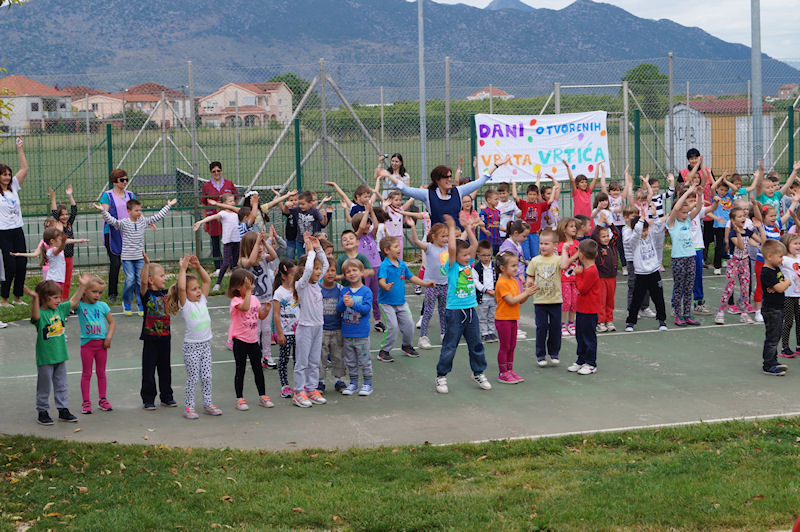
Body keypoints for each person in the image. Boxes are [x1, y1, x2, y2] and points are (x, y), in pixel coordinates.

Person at [434, 214, 492, 394]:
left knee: (476, 344)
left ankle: (478, 372)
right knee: (450, 345)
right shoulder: (452, 266)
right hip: (455, 312)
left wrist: (468, 228)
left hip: (470, 310)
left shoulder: (469, 265)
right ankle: (441, 376)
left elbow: (474, 245)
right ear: (455, 256)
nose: (468, 257)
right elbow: (452, 248)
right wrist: (452, 227)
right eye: (464, 255)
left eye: (468, 255)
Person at [95, 197, 176, 316]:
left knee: (140, 281)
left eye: (140, 210)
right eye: (136, 210)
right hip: (127, 258)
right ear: (129, 211)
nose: (139, 213)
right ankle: (126, 302)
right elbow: (112, 221)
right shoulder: (124, 223)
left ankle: (140, 303)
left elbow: (157, 217)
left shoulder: (143, 222)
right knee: (130, 279)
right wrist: (103, 210)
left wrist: (168, 206)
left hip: (139, 257)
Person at [166, 255, 222, 420]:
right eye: (194, 289)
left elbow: (207, 281)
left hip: (205, 345)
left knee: (207, 377)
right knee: (193, 377)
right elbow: (181, 288)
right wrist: (183, 269)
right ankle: (189, 407)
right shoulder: (186, 305)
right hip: (192, 347)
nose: (198, 291)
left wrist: (198, 267)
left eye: (198, 288)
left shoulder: (202, 300)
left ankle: (208, 403)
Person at [383, 156, 510, 229]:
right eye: (446, 177)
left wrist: (496, 165)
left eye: (450, 176)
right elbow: (405, 189)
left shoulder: (458, 191)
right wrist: (389, 176)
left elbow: (479, 182)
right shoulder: (428, 194)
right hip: (438, 242)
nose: (450, 179)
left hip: (457, 239)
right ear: (437, 180)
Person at [25, 280, 78, 425]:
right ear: (44, 298)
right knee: (44, 386)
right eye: (55, 297)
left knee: (62, 385)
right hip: (45, 358)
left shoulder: (60, 309)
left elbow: (73, 302)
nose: (59, 300)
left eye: (59, 297)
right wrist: (35, 298)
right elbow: (35, 316)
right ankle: (42, 411)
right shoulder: (40, 314)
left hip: (60, 356)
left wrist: (83, 286)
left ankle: (63, 409)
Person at [376, 235, 431, 362]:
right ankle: (384, 351)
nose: (399, 248)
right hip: (387, 303)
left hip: (401, 302)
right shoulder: (384, 266)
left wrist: (425, 284)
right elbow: (381, 281)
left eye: (399, 246)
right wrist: (385, 286)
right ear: (386, 250)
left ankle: (406, 346)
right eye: (395, 247)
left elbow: (412, 277)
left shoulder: (402, 265)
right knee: (393, 327)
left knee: (409, 325)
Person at [292, 233, 329, 408]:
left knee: (314, 361)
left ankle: (312, 388)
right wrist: (311, 252)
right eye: (316, 269)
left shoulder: (317, 284)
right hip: (305, 328)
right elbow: (307, 270)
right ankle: (299, 392)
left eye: (319, 269)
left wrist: (319, 248)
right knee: (302, 362)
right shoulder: (302, 286)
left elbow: (326, 265)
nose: (319, 271)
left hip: (318, 327)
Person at [227, 268, 272, 411]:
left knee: (258, 369)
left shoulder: (254, 299)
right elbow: (245, 308)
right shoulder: (236, 301)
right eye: (247, 285)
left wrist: (266, 311)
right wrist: (247, 292)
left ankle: (263, 396)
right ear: (237, 287)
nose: (251, 287)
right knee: (240, 369)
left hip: (253, 341)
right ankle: (239, 398)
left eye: (251, 284)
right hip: (240, 340)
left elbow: (260, 316)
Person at [72, 274, 114, 415]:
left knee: (101, 373)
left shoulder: (103, 306)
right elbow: (73, 302)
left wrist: (108, 337)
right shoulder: (80, 305)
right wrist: (82, 286)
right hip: (87, 345)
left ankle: (103, 399)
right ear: (85, 291)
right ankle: (86, 402)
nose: (97, 295)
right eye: (94, 291)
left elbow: (112, 322)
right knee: (87, 373)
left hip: (101, 345)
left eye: (100, 292)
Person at [138, 252, 175, 410]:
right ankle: (148, 398)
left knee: (165, 369)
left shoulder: (167, 294)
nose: (164, 278)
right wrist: (147, 264)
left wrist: (183, 269)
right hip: (150, 339)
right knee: (149, 370)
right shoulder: (147, 295)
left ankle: (167, 396)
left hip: (165, 338)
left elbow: (181, 288)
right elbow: (143, 283)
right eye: (161, 275)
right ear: (151, 280)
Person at [494, 251, 537, 384]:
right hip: (503, 319)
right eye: (513, 266)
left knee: (512, 346)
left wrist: (527, 293)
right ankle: (502, 373)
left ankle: (509, 370)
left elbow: (520, 300)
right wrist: (526, 292)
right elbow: (511, 301)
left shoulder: (513, 281)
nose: (516, 268)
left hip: (513, 318)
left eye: (516, 265)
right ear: (502, 268)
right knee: (505, 346)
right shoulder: (502, 283)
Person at [624, 207, 669, 333]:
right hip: (641, 274)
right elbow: (637, 231)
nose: (645, 233)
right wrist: (642, 218)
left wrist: (654, 216)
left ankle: (662, 321)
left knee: (658, 298)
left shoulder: (651, 236)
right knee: (636, 299)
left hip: (654, 272)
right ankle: (630, 322)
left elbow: (658, 228)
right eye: (642, 230)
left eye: (646, 230)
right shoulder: (633, 241)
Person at [238, 231, 278, 368]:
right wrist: (257, 243)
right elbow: (250, 261)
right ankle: (256, 355)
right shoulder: (243, 261)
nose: (260, 247)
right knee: (257, 330)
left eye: (260, 244)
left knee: (266, 330)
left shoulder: (264, 258)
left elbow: (274, 255)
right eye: (256, 245)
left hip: (267, 300)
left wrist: (265, 242)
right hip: (253, 302)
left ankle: (267, 355)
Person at [408, 221, 449, 350]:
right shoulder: (429, 247)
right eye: (443, 236)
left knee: (444, 312)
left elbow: (462, 240)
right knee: (428, 311)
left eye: (447, 236)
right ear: (434, 236)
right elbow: (416, 241)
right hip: (432, 285)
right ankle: (423, 337)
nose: (445, 239)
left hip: (445, 285)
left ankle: (444, 334)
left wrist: (469, 227)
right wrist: (413, 227)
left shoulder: (448, 247)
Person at [666, 186, 703, 326]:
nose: (686, 214)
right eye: (683, 212)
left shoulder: (688, 221)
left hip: (690, 257)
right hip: (678, 259)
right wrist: (687, 192)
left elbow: (698, 209)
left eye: (687, 212)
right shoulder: (672, 223)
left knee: (689, 287)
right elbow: (676, 208)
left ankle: (687, 314)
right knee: (679, 287)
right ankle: (678, 314)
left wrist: (699, 195)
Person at [526, 228, 563, 367]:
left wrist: (565, 249)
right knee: (541, 328)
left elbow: (565, 264)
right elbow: (530, 275)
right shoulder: (535, 261)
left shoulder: (558, 260)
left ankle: (554, 352)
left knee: (555, 328)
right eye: (541, 243)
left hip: (555, 300)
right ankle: (540, 354)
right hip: (540, 301)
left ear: (555, 245)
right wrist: (529, 282)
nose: (543, 246)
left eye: (546, 244)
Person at [337, 259, 374, 396]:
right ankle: (353, 383)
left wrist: (353, 304)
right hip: (347, 333)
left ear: (362, 272)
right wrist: (343, 302)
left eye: (354, 270)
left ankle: (367, 384)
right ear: (345, 275)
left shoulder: (366, 291)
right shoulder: (344, 291)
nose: (352, 273)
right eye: (348, 272)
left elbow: (366, 310)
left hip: (361, 334)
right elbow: (339, 309)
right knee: (350, 361)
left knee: (364, 360)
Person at [192, 193, 244, 291]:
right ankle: (218, 283)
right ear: (224, 203)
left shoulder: (236, 213)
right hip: (228, 242)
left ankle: (236, 284)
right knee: (226, 263)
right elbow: (212, 217)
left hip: (237, 241)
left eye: (233, 201)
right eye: (230, 201)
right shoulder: (223, 213)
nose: (233, 203)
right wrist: (200, 222)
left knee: (235, 264)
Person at [0, 136, 29, 308]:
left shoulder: (14, 187)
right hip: (3, 232)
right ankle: (3, 299)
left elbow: (24, 168)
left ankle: (17, 297)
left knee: (22, 264)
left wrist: (20, 149)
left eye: (9, 174)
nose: (7, 177)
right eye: (4, 174)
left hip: (17, 230)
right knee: (9, 266)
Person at [714, 207, 755, 324]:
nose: (743, 218)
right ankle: (720, 313)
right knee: (729, 288)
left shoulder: (748, 231)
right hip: (734, 262)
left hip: (745, 262)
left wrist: (760, 228)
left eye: (744, 216)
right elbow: (741, 247)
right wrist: (738, 233)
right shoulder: (732, 234)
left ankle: (744, 314)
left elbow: (760, 240)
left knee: (745, 289)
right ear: (733, 220)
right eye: (739, 216)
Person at [568, 239, 601, 375]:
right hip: (582, 309)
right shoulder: (586, 269)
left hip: (589, 310)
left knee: (588, 337)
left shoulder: (591, 271)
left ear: (581, 255)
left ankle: (591, 363)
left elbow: (582, 289)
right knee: (580, 336)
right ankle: (581, 360)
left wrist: (578, 274)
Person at [760, 239, 791, 376]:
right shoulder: (767, 272)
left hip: (779, 307)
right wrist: (785, 283)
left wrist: (782, 284)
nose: (782, 259)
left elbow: (780, 284)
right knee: (772, 337)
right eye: (780, 256)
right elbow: (781, 286)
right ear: (769, 256)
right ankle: (768, 365)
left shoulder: (776, 269)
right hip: (771, 309)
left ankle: (773, 360)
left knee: (776, 335)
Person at [352, 204, 384, 332]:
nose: (368, 225)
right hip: (364, 271)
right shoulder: (356, 237)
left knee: (375, 296)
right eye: (366, 223)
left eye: (368, 223)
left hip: (376, 268)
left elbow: (376, 226)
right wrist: (365, 212)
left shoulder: (371, 235)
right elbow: (361, 227)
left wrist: (371, 213)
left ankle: (377, 320)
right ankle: (357, 319)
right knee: (362, 296)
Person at [200, 161, 238, 271]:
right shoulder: (206, 186)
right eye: (214, 171)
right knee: (215, 243)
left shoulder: (229, 184)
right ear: (210, 172)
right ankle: (218, 267)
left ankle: (232, 265)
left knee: (230, 241)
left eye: (218, 170)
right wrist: (205, 220)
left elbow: (235, 199)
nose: (216, 173)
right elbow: (203, 204)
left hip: (228, 218)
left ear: (221, 171)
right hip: (214, 219)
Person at [273, 259, 299, 399]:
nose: (296, 276)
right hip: (286, 332)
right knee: (284, 360)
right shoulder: (279, 293)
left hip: (298, 332)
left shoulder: (297, 289)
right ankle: (285, 385)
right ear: (284, 276)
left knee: (298, 360)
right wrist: (280, 333)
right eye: (293, 274)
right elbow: (276, 315)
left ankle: (299, 385)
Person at [319, 256, 345, 393]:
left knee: (338, 355)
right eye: (326, 270)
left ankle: (338, 380)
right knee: (321, 357)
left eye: (333, 270)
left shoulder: (341, 289)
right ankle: (320, 381)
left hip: (337, 328)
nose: (330, 273)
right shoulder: (317, 289)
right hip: (322, 329)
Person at [48, 185, 78, 301]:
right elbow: (54, 212)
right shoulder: (58, 225)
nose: (65, 216)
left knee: (68, 282)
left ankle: (65, 302)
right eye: (62, 215)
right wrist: (53, 198)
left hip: (70, 256)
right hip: (61, 257)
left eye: (66, 214)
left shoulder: (69, 223)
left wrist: (70, 196)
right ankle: (58, 301)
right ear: (58, 217)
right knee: (61, 281)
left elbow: (74, 210)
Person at [591, 224, 618, 332]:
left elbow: (616, 234)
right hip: (601, 278)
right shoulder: (597, 247)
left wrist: (610, 224)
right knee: (601, 300)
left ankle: (609, 320)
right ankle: (600, 321)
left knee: (610, 300)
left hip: (612, 278)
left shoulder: (611, 245)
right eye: (603, 236)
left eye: (607, 236)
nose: (606, 238)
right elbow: (593, 236)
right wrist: (599, 224)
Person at [557, 217, 580, 336]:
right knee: (566, 302)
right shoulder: (562, 245)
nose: (574, 228)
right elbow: (564, 264)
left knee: (574, 302)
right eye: (571, 226)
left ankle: (571, 323)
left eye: (575, 226)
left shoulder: (577, 244)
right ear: (564, 229)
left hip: (576, 278)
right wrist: (576, 255)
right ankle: (562, 324)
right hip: (564, 279)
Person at [779, 233, 800, 358]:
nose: (798, 246)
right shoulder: (784, 259)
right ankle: (785, 347)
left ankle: (799, 345)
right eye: (795, 244)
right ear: (786, 245)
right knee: (788, 321)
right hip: (788, 295)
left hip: (798, 294)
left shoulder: (799, 257)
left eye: (799, 243)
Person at [474, 240, 497, 343]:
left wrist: (496, 291)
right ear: (478, 255)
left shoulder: (495, 267)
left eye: (488, 255)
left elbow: (499, 278)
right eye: (484, 255)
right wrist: (486, 290)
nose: (486, 258)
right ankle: (484, 333)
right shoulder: (476, 268)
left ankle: (491, 331)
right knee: (482, 316)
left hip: (494, 296)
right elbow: (476, 282)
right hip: (483, 297)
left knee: (492, 315)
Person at [478, 189, 502, 254]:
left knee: (499, 256)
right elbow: (481, 224)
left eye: (498, 199)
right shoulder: (484, 212)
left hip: (497, 240)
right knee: (487, 255)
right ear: (489, 200)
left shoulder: (498, 212)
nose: (497, 201)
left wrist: (505, 230)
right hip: (487, 240)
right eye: (496, 199)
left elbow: (497, 225)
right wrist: (485, 231)